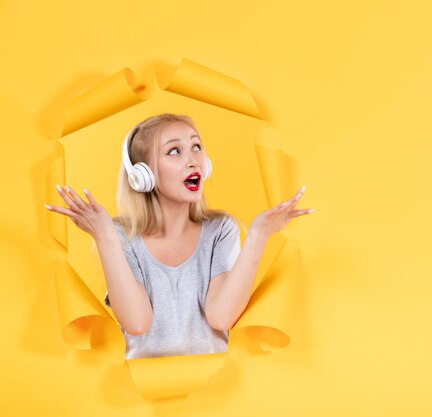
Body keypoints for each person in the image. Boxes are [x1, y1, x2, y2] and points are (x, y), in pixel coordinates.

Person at [45, 113, 313, 359]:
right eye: (174, 151)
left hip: (215, 390)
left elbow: (221, 317)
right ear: (143, 175)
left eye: (196, 147)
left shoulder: (220, 230)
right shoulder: (120, 236)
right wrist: (104, 236)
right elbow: (137, 323)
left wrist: (257, 236)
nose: (193, 160)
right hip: (144, 392)